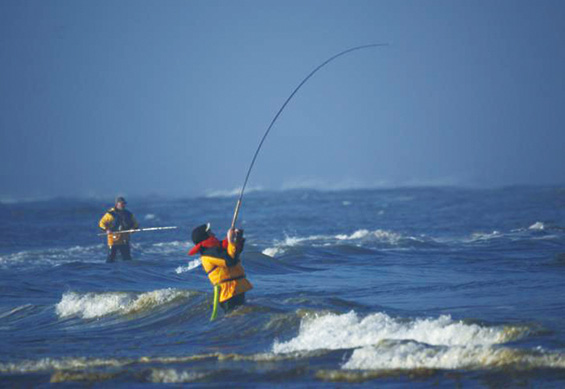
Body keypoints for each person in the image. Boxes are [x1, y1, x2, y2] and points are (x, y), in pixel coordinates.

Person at [189, 223, 252, 313]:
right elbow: (230, 260)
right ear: (205, 237)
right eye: (210, 232)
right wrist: (231, 241)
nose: (214, 234)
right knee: (234, 318)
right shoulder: (208, 254)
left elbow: (234, 252)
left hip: (236, 289)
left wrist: (237, 238)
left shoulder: (216, 249)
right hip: (228, 294)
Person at [99, 197, 139, 263]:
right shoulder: (110, 214)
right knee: (111, 257)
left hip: (124, 239)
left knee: (127, 258)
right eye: (121, 204)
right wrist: (106, 230)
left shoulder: (128, 214)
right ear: (117, 204)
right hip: (113, 239)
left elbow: (136, 224)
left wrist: (133, 229)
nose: (123, 205)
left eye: (124, 204)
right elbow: (101, 223)